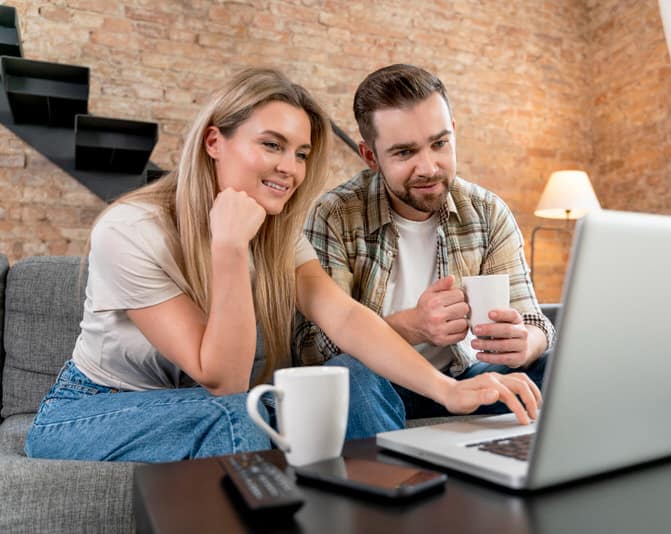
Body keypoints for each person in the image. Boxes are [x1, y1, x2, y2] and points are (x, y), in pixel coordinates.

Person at [25, 68, 540, 463]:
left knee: (316, 398)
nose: (288, 168)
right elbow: (223, 380)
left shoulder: (276, 232)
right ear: (214, 142)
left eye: (300, 153)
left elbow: (343, 317)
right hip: (94, 407)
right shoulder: (130, 230)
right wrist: (227, 250)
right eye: (271, 145)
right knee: (237, 418)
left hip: (208, 405)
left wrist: (450, 391)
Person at [297, 64, 555, 421]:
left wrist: (525, 341)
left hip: (464, 377)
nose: (429, 167)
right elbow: (311, 351)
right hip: (380, 387)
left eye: (439, 144)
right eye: (405, 153)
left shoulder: (487, 211)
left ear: (454, 133)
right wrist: (411, 325)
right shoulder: (336, 214)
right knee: (350, 377)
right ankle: (388, 477)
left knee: (557, 366)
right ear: (370, 156)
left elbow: (535, 322)